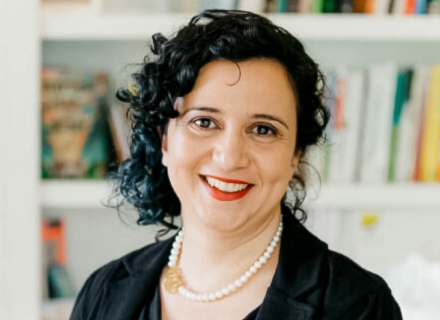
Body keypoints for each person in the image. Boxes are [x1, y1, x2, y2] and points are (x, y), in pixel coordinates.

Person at [70, 9, 402, 320]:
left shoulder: (360, 306)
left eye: (263, 129)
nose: (229, 158)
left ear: (295, 155)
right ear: (165, 140)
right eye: (204, 122)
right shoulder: (103, 292)